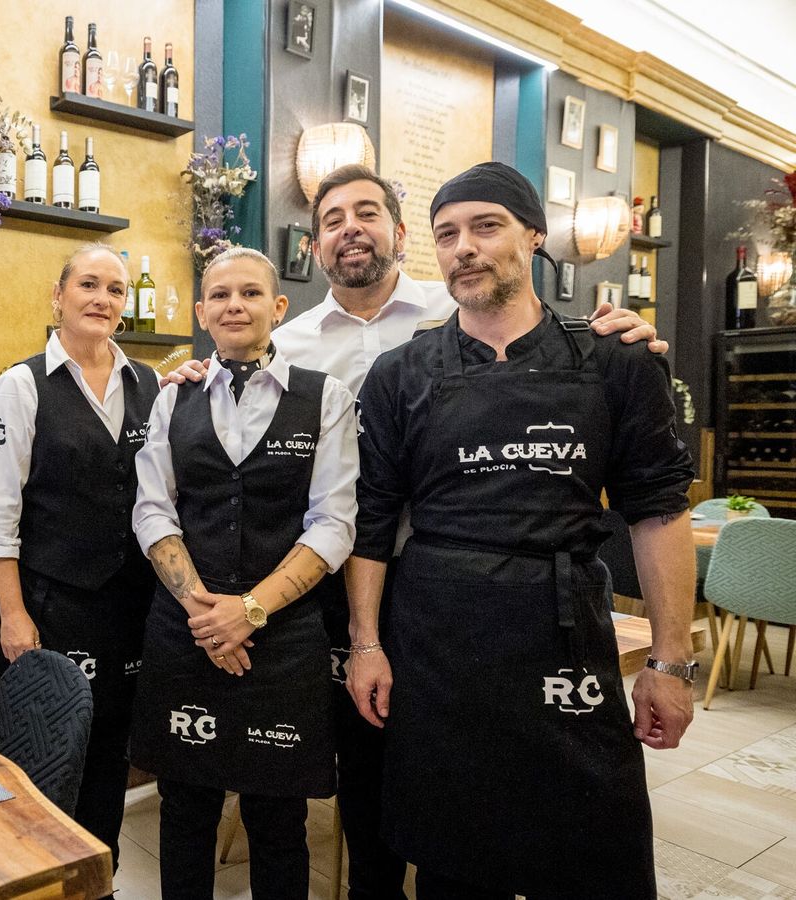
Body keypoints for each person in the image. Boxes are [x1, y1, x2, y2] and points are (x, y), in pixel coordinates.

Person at [163, 163, 667, 900]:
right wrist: (185, 382)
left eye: (367, 214)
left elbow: (648, 488)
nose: (350, 230)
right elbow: (235, 416)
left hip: (484, 590)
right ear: (315, 246)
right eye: (332, 220)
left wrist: (623, 334)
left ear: (401, 234)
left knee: (545, 806)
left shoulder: (463, 298)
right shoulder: (286, 343)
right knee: (380, 784)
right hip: (341, 586)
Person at [345, 161, 697, 898]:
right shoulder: (400, 374)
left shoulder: (615, 362)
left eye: (486, 226)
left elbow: (659, 510)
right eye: (447, 234)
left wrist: (670, 662)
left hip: (562, 636)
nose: (464, 248)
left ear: (534, 235)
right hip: (437, 643)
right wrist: (367, 644)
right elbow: (370, 523)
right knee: (453, 865)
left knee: (595, 854)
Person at [132, 247, 357, 900]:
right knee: (185, 809)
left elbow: (334, 523)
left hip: (283, 640)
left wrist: (250, 610)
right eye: (221, 295)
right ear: (202, 311)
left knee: (278, 817)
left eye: (251, 293)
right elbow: (152, 510)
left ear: (278, 307)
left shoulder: (325, 397)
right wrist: (207, 615)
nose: (235, 305)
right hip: (186, 632)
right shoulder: (172, 399)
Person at [0, 242, 160, 871]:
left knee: (110, 757)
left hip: (128, 606)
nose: (102, 299)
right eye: (88, 285)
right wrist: (13, 615)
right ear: (58, 296)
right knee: (44, 757)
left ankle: (99, 877)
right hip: (51, 604)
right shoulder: (21, 385)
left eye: (115, 289)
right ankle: (34, 878)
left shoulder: (148, 383)